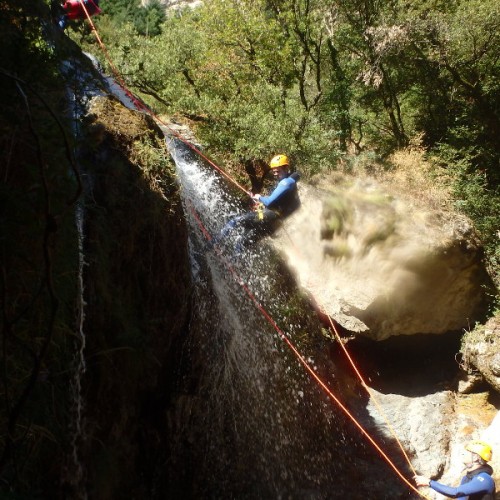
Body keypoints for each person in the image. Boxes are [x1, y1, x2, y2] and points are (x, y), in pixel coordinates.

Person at [209, 154, 301, 254]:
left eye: (278, 171)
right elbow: (277, 203)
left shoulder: (286, 183)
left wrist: (259, 197)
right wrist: (259, 200)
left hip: (269, 216)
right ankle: (234, 264)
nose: (275, 174)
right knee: (243, 243)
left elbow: (269, 201)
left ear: (286, 168)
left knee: (235, 221)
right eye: (274, 171)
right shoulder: (290, 183)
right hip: (274, 224)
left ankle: (211, 244)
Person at [414, 440, 496, 499]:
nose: (463, 453)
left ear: (475, 457)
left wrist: (429, 482)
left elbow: (456, 492)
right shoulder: (467, 478)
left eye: (467, 451)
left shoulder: (485, 479)